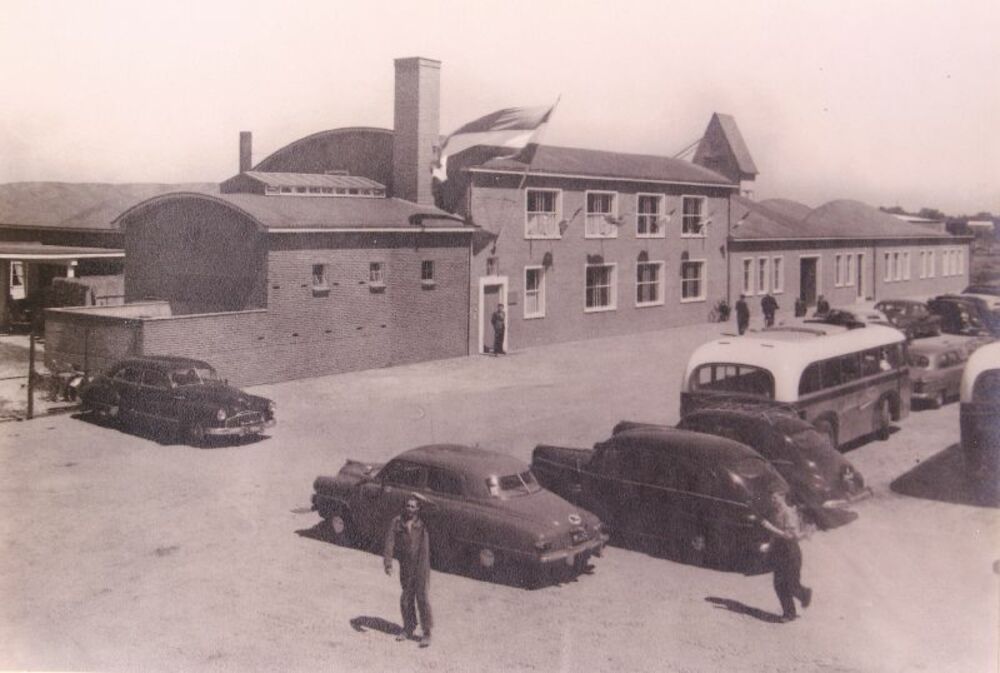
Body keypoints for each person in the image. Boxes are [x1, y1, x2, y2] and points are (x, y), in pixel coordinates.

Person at [383, 495, 433, 647]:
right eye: (408, 506)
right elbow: (390, 541)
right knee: (406, 597)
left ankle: (427, 633)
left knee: (422, 598)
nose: (410, 509)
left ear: (417, 508)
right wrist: (388, 563)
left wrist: (420, 497)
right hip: (406, 564)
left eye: (413, 506)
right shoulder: (397, 522)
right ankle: (408, 627)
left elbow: (435, 508)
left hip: (421, 564)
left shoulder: (424, 522)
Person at [759, 492, 812, 622]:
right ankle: (789, 613)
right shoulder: (775, 513)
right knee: (779, 584)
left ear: (782, 497)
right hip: (779, 551)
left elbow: (790, 536)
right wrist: (769, 546)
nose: (772, 500)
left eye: (775, 497)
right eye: (771, 498)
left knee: (791, 584)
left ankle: (804, 594)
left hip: (790, 551)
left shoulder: (788, 513)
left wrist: (770, 527)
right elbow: (775, 535)